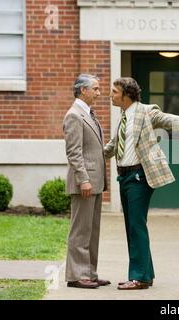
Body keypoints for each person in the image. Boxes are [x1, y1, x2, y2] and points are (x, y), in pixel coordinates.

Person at [105, 77, 179, 290]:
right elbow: (114, 144)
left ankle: (138, 277)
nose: (110, 95)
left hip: (140, 176)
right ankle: (145, 275)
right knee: (134, 226)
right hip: (124, 176)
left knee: (136, 226)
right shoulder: (123, 116)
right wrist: (97, 154)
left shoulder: (146, 111)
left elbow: (165, 118)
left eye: (114, 91)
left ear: (126, 94)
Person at [63, 74, 110, 289]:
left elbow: (94, 150)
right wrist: (83, 180)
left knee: (92, 230)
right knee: (80, 230)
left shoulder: (88, 114)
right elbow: (74, 153)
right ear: (83, 90)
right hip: (85, 183)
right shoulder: (74, 115)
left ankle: (90, 273)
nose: (99, 93)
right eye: (96, 89)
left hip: (96, 182)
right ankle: (76, 275)